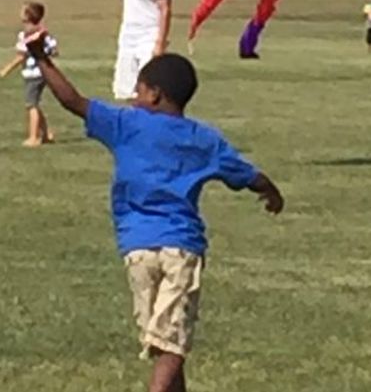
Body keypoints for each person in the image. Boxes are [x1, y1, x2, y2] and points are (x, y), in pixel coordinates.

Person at [22, 41, 284, 392]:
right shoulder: (204, 139)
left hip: (137, 249)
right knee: (171, 343)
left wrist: (41, 59)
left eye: (139, 89)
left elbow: (73, 101)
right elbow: (248, 174)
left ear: (156, 95)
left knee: (163, 342)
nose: (133, 95)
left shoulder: (126, 125)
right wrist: (271, 192)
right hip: (181, 249)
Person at [0, 1, 59, 146]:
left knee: (31, 105)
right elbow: (55, 51)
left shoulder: (25, 35)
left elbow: (21, 55)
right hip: (43, 72)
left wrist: (6, 69)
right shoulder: (43, 32)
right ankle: (45, 135)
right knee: (34, 104)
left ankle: (34, 137)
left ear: (28, 16)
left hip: (33, 74)